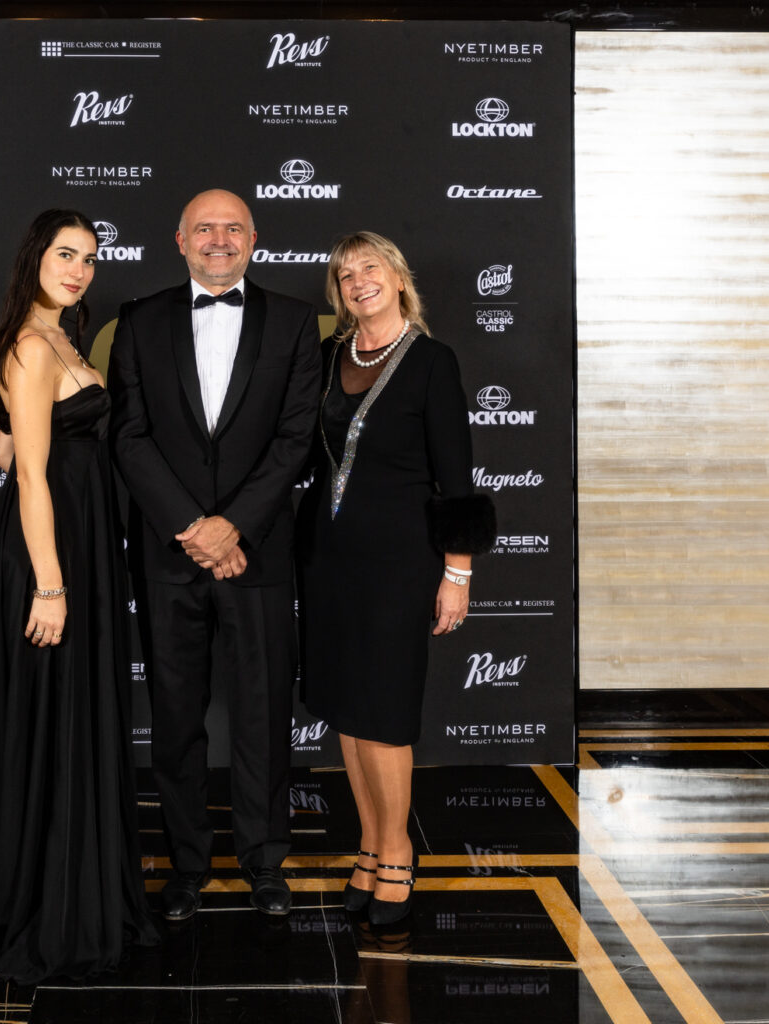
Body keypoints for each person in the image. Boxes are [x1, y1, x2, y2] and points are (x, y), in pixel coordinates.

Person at [109, 189, 322, 920]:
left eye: (233, 228)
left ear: (255, 239)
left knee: (263, 714)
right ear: (180, 240)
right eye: (205, 228)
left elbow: (296, 437)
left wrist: (234, 526)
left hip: (257, 553)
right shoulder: (139, 321)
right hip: (170, 555)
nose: (219, 239)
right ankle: (187, 863)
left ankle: (264, 861)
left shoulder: (295, 321)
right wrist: (194, 527)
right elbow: (129, 436)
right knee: (175, 718)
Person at [0, 209, 157, 983]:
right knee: (53, 720)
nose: (79, 270)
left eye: (89, 258)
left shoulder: (61, 338)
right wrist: (49, 585)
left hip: (80, 541)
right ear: (35, 259)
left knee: (70, 717)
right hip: (48, 554)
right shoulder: (32, 345)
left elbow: (10, 451)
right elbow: (30, 477)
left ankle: (77, 891)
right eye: (65, 254)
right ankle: (51, 907)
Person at [298, 232, 495, 926]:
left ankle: (398, 851)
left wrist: (457, 572)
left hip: (399, 565)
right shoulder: (328, 358)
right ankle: (368, 843)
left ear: (399, 278)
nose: (358, 282)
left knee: (383, 713)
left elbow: (458, 480)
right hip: (330, 560)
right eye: (345, 275)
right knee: (349, 714)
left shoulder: (432, 362)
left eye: (370, 268)